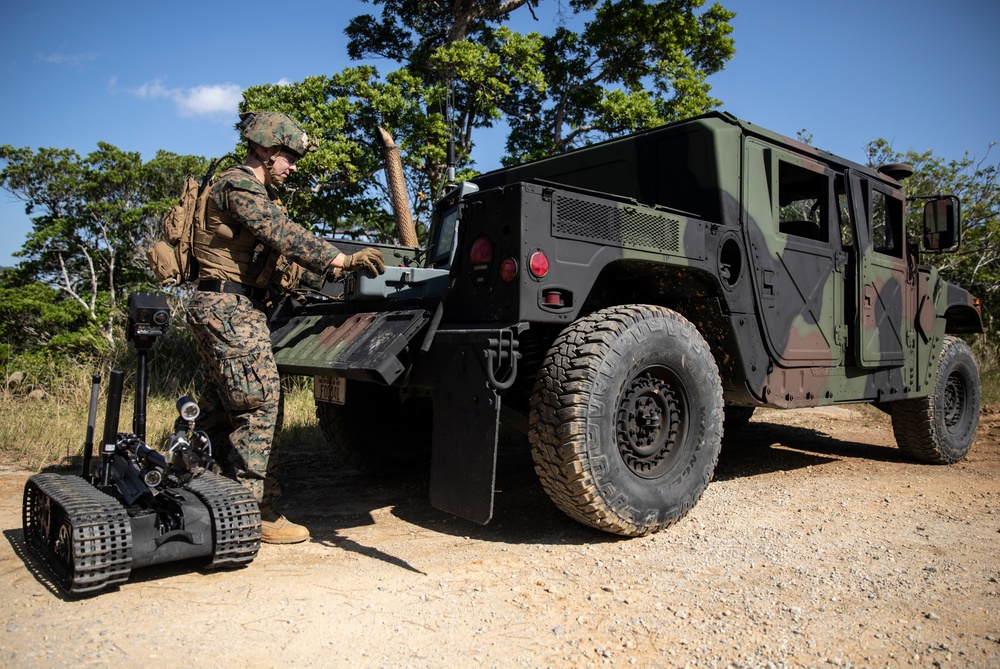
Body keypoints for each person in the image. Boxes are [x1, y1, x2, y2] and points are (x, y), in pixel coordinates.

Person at [187, 111, 386, 544]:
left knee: (220, 407)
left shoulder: (250, 191)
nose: (292, 167)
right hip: (229, 307)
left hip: (226, 304)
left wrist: (336, 279)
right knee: (260, 403)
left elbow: (280, 264)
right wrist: (340, 259)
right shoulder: (238, 184)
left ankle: (200, 491)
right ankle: (255, 512)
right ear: (264, 149)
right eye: (288, 157)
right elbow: (281, 233)